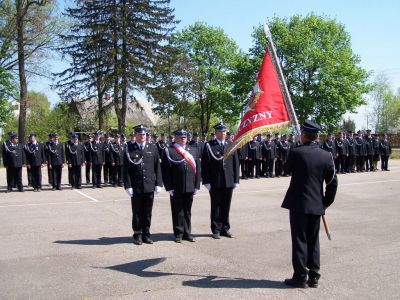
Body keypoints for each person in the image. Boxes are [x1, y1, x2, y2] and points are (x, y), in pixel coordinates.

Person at [282, 120, 338, 288]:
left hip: (298, 204)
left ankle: (300, 276)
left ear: (304, 135)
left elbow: (286, 169)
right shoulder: (326, 155)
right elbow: (333, 182)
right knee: (313, 240)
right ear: (317, 136)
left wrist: (295, 150)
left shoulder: (296, 152)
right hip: (316, 204)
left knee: (300, 240)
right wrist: (326, 202)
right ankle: (314, 275)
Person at [124, 125, 163, 245]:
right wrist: (128, 185)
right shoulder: (129, 148)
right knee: (137, 211)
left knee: (147, 212)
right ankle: (137, 234)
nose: (142, 136)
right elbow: (126, 169)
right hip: (136, 186)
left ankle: (146, 234)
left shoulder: (152, 147)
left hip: (149, 185)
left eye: (144, 134)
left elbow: (157, 166)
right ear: (135, 135)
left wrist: (158, 183)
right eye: (140, 134)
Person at [161, 129, 201, 243]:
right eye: (180, 137)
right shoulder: (170, 150)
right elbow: (166, 171)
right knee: (177, 211)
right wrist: (169, 187)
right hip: (176, 186)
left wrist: (197, 185)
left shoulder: (193, 150)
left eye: (185, 137)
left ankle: (187, 233)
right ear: (176, 138)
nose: (183, 139)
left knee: (187, 211)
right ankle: (178, 233)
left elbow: (198, 169)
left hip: (190, 186)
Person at [201, 122, 240, 239]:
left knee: (226, 205)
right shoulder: (209, 145)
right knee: (216, 206)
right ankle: (216, 229)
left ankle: (225, 228)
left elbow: (235, 163)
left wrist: (236, 179)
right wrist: (206, 181)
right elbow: (205, 164)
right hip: (215, 181)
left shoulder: (231, 144)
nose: (223, 134)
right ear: (216, 133)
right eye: (220, 132)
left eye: (224, 131)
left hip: (228, 180)